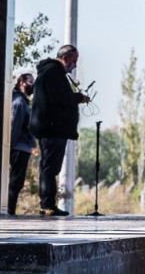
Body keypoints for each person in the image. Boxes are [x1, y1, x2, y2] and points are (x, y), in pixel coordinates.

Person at [28, 44, 91, 217]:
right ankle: (47, 205)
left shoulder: (48, 71)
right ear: (67, 57)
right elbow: (59, 98)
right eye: (74, 61)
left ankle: (47, 205)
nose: (75, 66)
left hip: (49, 128)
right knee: (50, 168)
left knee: (48, 168)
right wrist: (79, 97)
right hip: (52, 128)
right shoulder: (54, 72)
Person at [6, 70, 37, 216]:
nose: (33, 84)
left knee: (17, 182)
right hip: (18, 147)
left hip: (24, 147)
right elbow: (14, 126)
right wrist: (9, 148)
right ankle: (9, 211)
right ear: (21, 83)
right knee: (15, 181)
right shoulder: (18, 102)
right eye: (30, 81)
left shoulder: (25, 102)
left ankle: (11, 210)